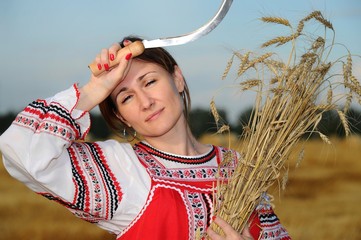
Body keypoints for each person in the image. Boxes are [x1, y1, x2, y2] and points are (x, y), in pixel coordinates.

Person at [0, 36, 291, 240]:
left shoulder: (241, 168)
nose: (145, 102)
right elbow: (22, 151)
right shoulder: (123, 169)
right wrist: (93, 89)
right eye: (126, 97)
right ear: (123, 116)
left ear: (177, 78)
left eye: (150, 81)